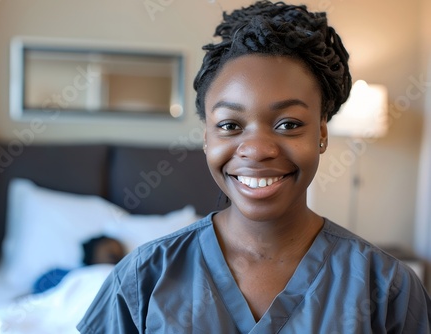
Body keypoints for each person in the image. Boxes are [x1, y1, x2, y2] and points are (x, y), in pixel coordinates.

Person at [78, 1, 431, 332]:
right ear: (206, 139)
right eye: (230, 126)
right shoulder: (142, 279)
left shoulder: (388, 288)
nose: (258, 150)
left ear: (322, 134)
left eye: (289, 124)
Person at [33, 236, 125, 294]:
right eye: (109, 249)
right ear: (94, 249)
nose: (115, 253)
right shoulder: (59, 274)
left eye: (119, 252)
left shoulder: (119, 279)